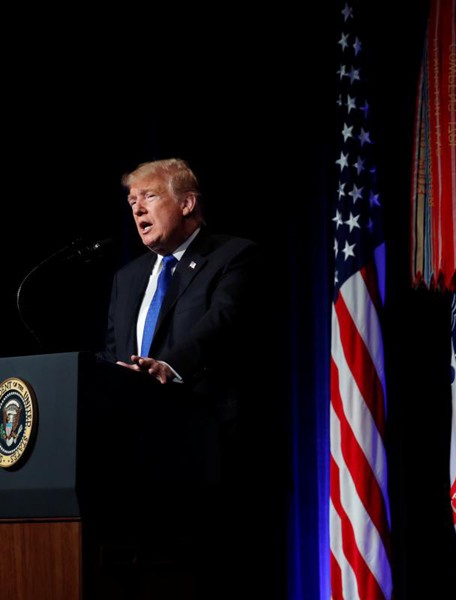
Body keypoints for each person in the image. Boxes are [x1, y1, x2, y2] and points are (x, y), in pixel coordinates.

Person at [96, 158, 260, 597]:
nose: (137, 209)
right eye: (132, 201)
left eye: (149, 196)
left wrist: (168, 367)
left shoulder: (233, 255)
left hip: (208, 452)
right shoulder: (127, 278)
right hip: (136, 465)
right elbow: (114, 353)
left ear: (187, 203)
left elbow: (222, 323)